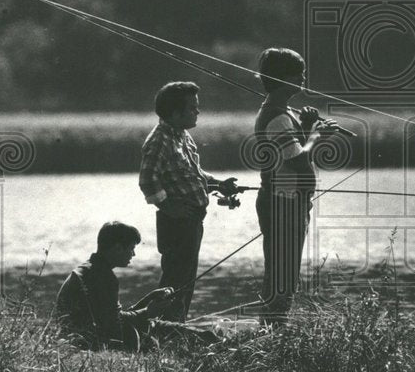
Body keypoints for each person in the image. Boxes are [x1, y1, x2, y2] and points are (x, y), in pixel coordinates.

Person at [139, 81, 238, 321]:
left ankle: (175, 325)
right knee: (176, 279)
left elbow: (195, 174)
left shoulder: (182, 136)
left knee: (186, 279)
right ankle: (165, 328)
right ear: (175, 113)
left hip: (192, 220)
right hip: (176, 223)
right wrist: (167, 206)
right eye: (192, 108)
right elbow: (147, 179)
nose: (198, 112)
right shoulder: (159, 140)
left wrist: (218, 184)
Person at [253, 48, 339, 324]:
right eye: (299, 73)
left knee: (284, 275)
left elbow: (291, 149)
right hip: (282, 202)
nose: (303, 77)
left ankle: (272, 331)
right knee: (282, 276)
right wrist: (317, 136)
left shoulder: (282, 113)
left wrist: (305, 125)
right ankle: (271, 332)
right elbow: (299, 160)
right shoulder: (276, 117)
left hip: (288, 201)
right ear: (285, 78)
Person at [54, 221, 219, 351]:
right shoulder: (103, 277)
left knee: (186, 332)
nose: (133, 254)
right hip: (94, 341)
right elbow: (115, 325)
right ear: (118, 248)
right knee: (202, 336)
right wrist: (149, 311)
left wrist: (149, 298)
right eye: (131, 249)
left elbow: (112, 317)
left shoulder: (90, 269)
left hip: (82, 336)